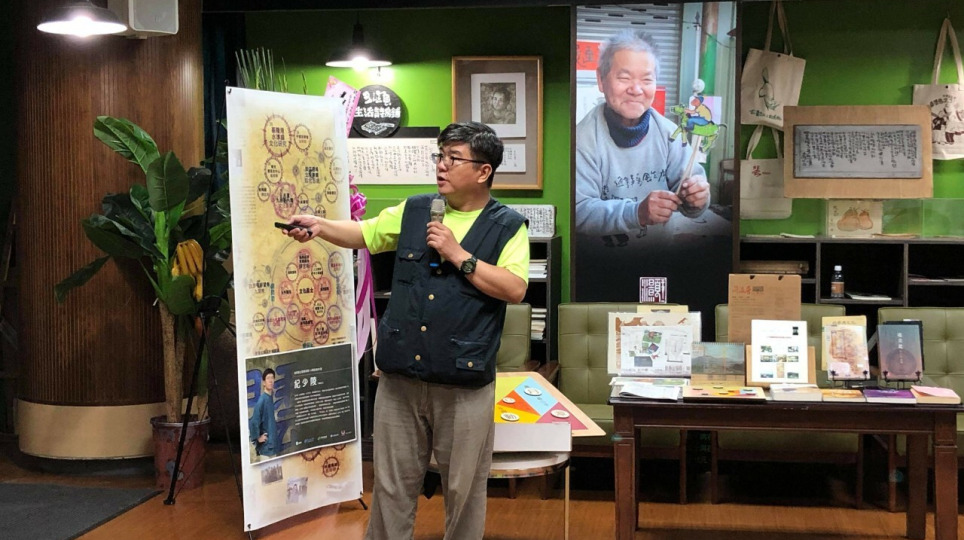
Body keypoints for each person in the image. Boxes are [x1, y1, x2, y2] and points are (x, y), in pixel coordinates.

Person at [282, 121, 529, 540]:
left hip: (463, 384)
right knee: (391, 489)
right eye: (440, 156)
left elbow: (515, 288)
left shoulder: (507, 225)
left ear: (483, 171)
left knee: (464, 492)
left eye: (454, 158)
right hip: (400, 380)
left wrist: (458, 255)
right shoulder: (416, 210)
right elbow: (364, 233)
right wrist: (320, 225)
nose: (441, 166)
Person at [575, 29, 710, 238]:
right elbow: (578, 212)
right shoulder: (583, 139)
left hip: (660, 256)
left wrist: (697, 199)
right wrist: (637, 213)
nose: (636, 89)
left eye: (647, 80)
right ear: (601, 80)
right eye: (624, 78)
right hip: (599, 257)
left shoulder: (671, 134)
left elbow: (692, 205)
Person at [249, 368, 279, 458]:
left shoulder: (270, 398)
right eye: (268, 378)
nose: (270, 380)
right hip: (266, 449)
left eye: (272, 378)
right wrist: (258, 438)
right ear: (263, 382)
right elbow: (254, 421)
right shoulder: (262, 400)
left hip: (272, 446)